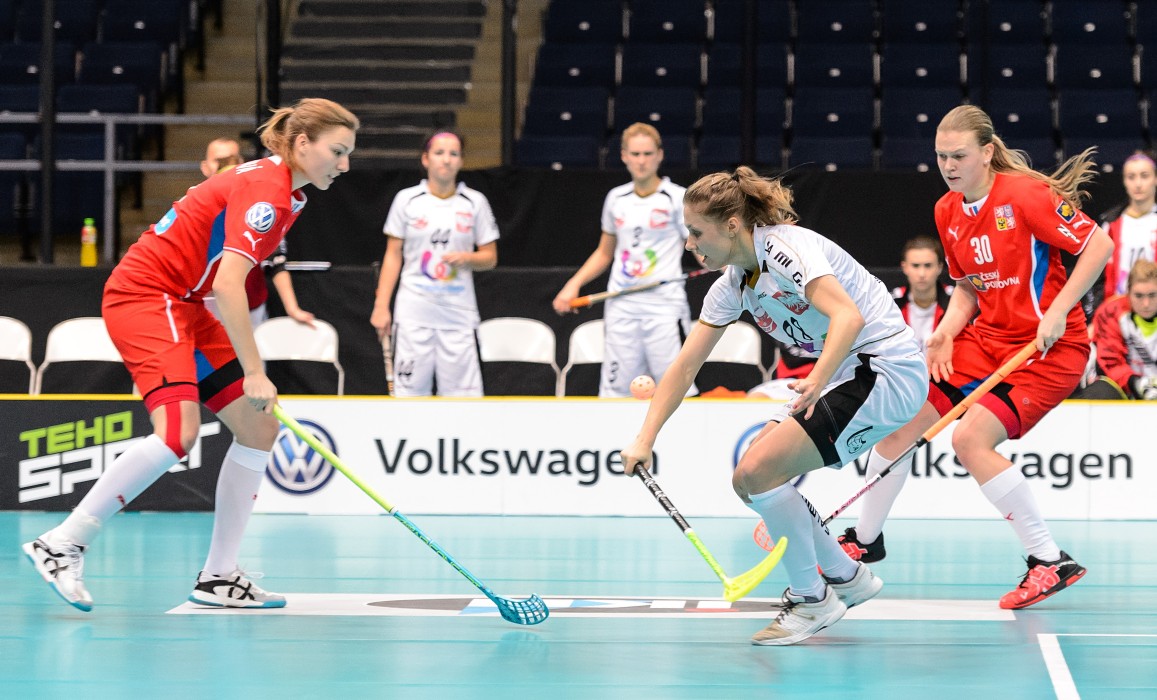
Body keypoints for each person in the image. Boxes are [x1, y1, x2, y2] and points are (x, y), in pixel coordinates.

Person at [22, 98, 360, 611]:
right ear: (302, 144)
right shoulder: (267, 192)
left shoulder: (291, 196)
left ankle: (220, 577)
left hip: (187, 303)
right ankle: (63, 543)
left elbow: (220, 279)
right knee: (177, 433)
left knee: (258, 429)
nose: (344, 164)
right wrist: (253, 370)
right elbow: (230, 285)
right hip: (147, 294)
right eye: (337, 151)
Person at [620, 167, 929, 646]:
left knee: (759, 471)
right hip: (849, 373)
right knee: (749, 481)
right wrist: (645, 439)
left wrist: (817, 380)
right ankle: (846, 576)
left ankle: (814, 600)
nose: (689, 244)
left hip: (885, 368)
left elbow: (847, 316)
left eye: (696, 232)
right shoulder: (732, 284)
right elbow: (683, 368)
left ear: (731, 225)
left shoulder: (786, 249)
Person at [847, 105, 1113, 610]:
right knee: (901, 422)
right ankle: (864, 540)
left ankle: (1048, 560)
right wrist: (946, 332)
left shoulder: (1026, 195)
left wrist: (1059, 309)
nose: (948, 166)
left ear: (987, 152)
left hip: (1049, 349)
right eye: (941, 156)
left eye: (959, 156)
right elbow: (969, 284)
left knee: (969, 439)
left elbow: (1097, 244)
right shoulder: (948, 209)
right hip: (986, 340)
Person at [552, 123, 697, 398]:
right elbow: (604, 253)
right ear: (624, 156)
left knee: (675, 389)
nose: (641, 161)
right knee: (618, 390)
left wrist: (727, 266)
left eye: (647, 153)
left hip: (664, 308)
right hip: (621, 307)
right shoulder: (616, 199)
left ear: (659, 155)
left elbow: (697, 246)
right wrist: (573, 285)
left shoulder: (677, 197)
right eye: (635, 154)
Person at [370, 131, 499, 397]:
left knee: (463, 400)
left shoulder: (475, 203)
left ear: (461, 161)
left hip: (458, 317)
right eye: (439, 153)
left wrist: (468, 258)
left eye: (454, 154)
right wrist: (382, 306)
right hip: (413, 313)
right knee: (410, 396)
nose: (446, 160)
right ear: (426, 159)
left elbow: (490, 257)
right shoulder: (407, 200)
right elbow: (393, 255)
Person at [200, 138, 316, 329]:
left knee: (252, 358)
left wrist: (293, 308)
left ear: (242, 165)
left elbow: (275, 261)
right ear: (205, 167)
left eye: (233, 160)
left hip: (250, 308)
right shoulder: (193, 206)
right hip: (205, 307)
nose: (226, 166)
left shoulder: (260, 208)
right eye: (219, 161)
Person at [1083, 149, 1157, 319]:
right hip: (1117, 316)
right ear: (1124, 181)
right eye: (1131, 177)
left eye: (1144, 176)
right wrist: (1096, 317)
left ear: (1155, 179)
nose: (1138, 183)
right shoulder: (1110, 224)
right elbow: (1096, 277)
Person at [1075, 259, 1157, 400]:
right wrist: (1135, 382)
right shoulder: (1111, 312)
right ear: (1128, 292)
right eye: (1139, 296)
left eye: (1152, 295)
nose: (1146, 303)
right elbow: (1110, 362)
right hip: (1124, 389)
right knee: (1099, 392)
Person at [893, 235, 953, 349]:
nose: (922, 274)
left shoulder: (956, 301)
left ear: (939, 267)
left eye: (928, 266)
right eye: (915, 266)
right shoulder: (890, 302)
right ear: (904, 267)